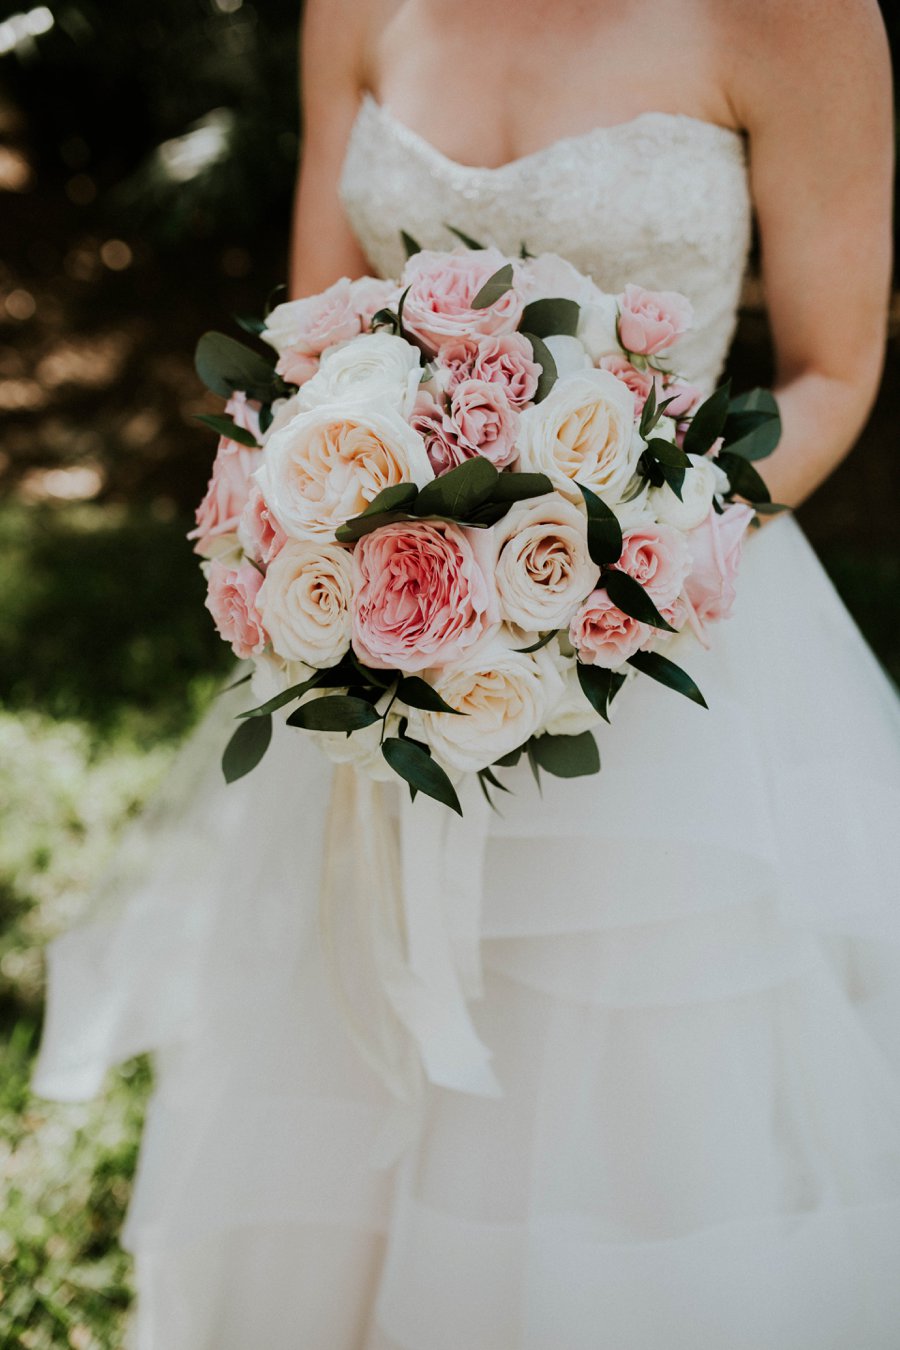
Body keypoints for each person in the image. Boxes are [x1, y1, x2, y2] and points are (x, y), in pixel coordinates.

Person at [35, 2, 900, 1346]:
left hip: (670, 660)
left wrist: (623, 550)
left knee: (637, 1133)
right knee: (353, 1120)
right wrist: (316, 538)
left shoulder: (800, 17)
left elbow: (834, 370)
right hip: (383, 655)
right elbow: (299, 345)